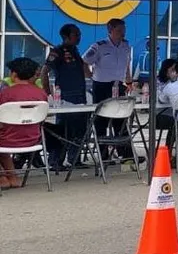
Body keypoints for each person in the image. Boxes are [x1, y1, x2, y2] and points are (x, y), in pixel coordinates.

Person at [41, 23, 89, 171]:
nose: (79, 37)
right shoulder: (57, 51)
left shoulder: (75, 51)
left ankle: (75, 159)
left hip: (80, 96)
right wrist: (48, 93)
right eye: (76, 34)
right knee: (63, 130)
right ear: (66, 36)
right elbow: (44, 71)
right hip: (65, 97)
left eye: (79, 34)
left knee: (79, 129)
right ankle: (56, 161)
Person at [83, 18, 133, 156]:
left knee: (121, 119)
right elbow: (84, 61)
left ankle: (125, 153)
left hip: (119, 85)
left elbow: (127, 62)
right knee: (101, 120)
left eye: (124, 30)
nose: (122, 33)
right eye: (119, 30)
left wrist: (128, 79)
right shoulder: (99, 46)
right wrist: (90, 76)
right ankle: (103, 153)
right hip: (102, 85)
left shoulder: (126, 45)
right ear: (110, 30)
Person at [0, 58, 47, 188]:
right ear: (33, 75)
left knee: (3, 139)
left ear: (13, 74)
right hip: (33, 139)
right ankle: (12, 176)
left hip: (6, 139)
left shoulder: (5, 94)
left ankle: (2, 177)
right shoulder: (41, 94)